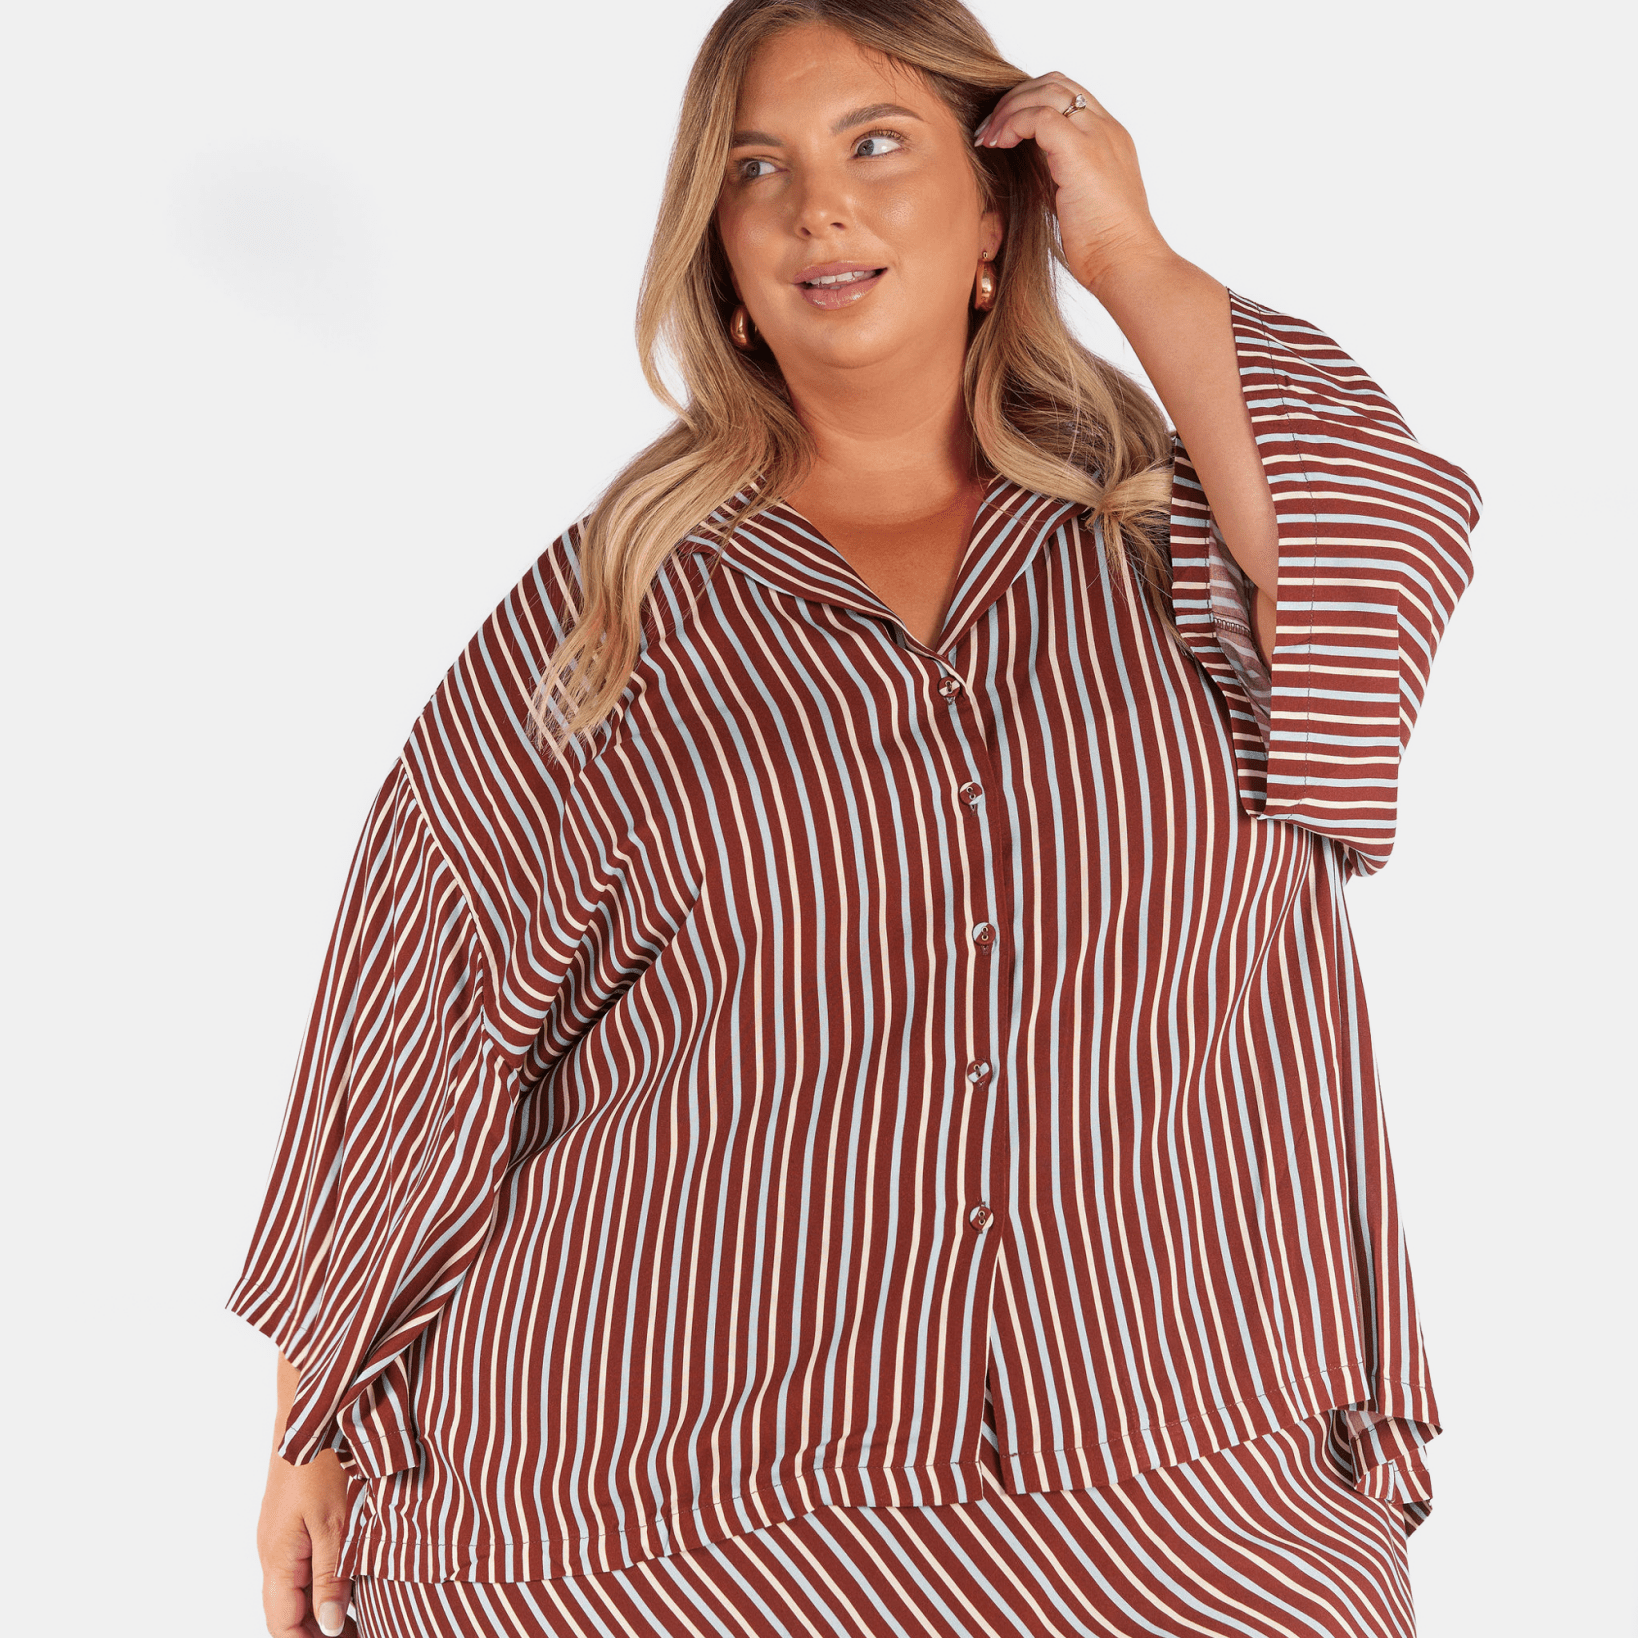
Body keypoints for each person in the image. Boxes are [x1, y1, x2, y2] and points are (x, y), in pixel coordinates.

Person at [226, 3, 1482, 1635]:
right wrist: (311, 1426)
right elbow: (417, 1016)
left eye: (875, 145)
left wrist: (1126, 251)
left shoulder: (1187, 563)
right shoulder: (609, 616)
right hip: (669, 1512)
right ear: (721, 259)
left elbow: (1380, 531)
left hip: (1177, 1494)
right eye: (758, 171)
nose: (817, 205)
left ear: (994, 213)